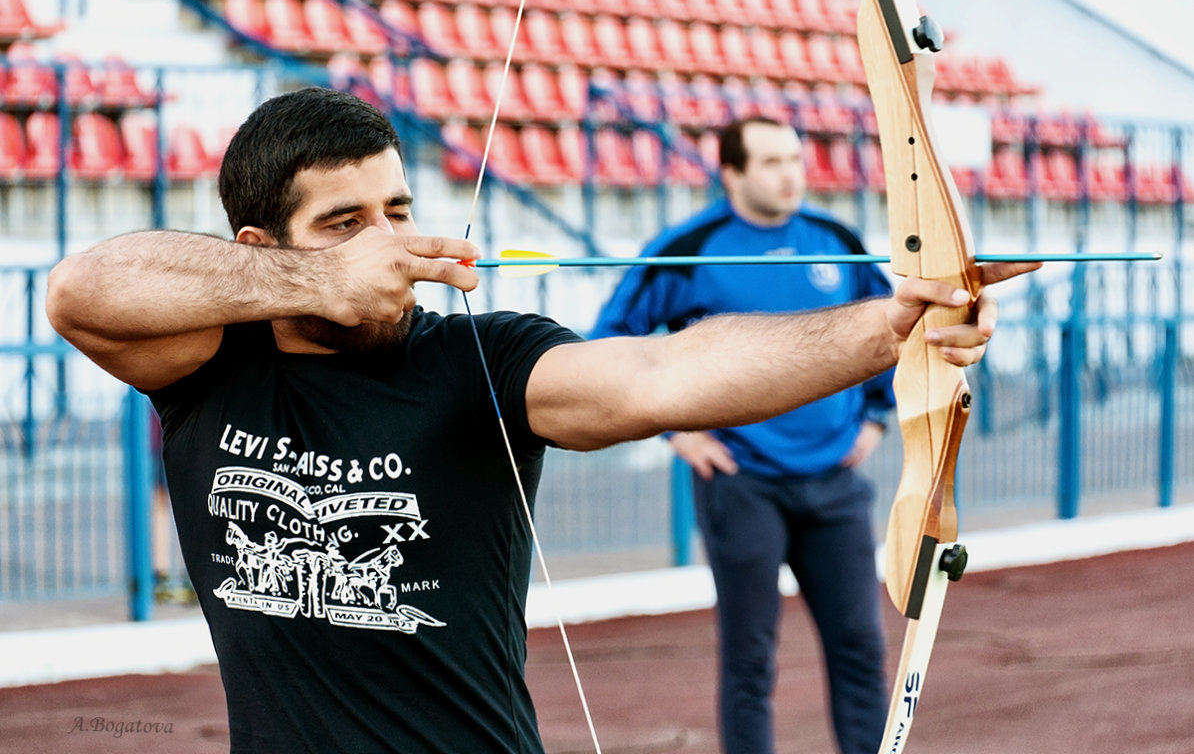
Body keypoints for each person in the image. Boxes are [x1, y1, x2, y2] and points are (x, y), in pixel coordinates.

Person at [45, 87, 1033, 754]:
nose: (389, 241)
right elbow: (81, 289)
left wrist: (885, 327)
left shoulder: (480, 355)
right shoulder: (209, 364)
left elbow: (659, 372)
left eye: (397, 209)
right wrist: (319, 282)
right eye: (345, 222)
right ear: (262, 247)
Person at [589, 116, 893, 754]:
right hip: (741, 482)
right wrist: (678, 434)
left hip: (834, 481)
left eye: (795, 159)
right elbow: (609, 342)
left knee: (862, 647)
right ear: (732, 173)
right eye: (772, 162)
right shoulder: (691, 246)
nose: (792, 175)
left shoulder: (835, 239)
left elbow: (892, 328)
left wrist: (874, 417)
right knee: (752, 660)